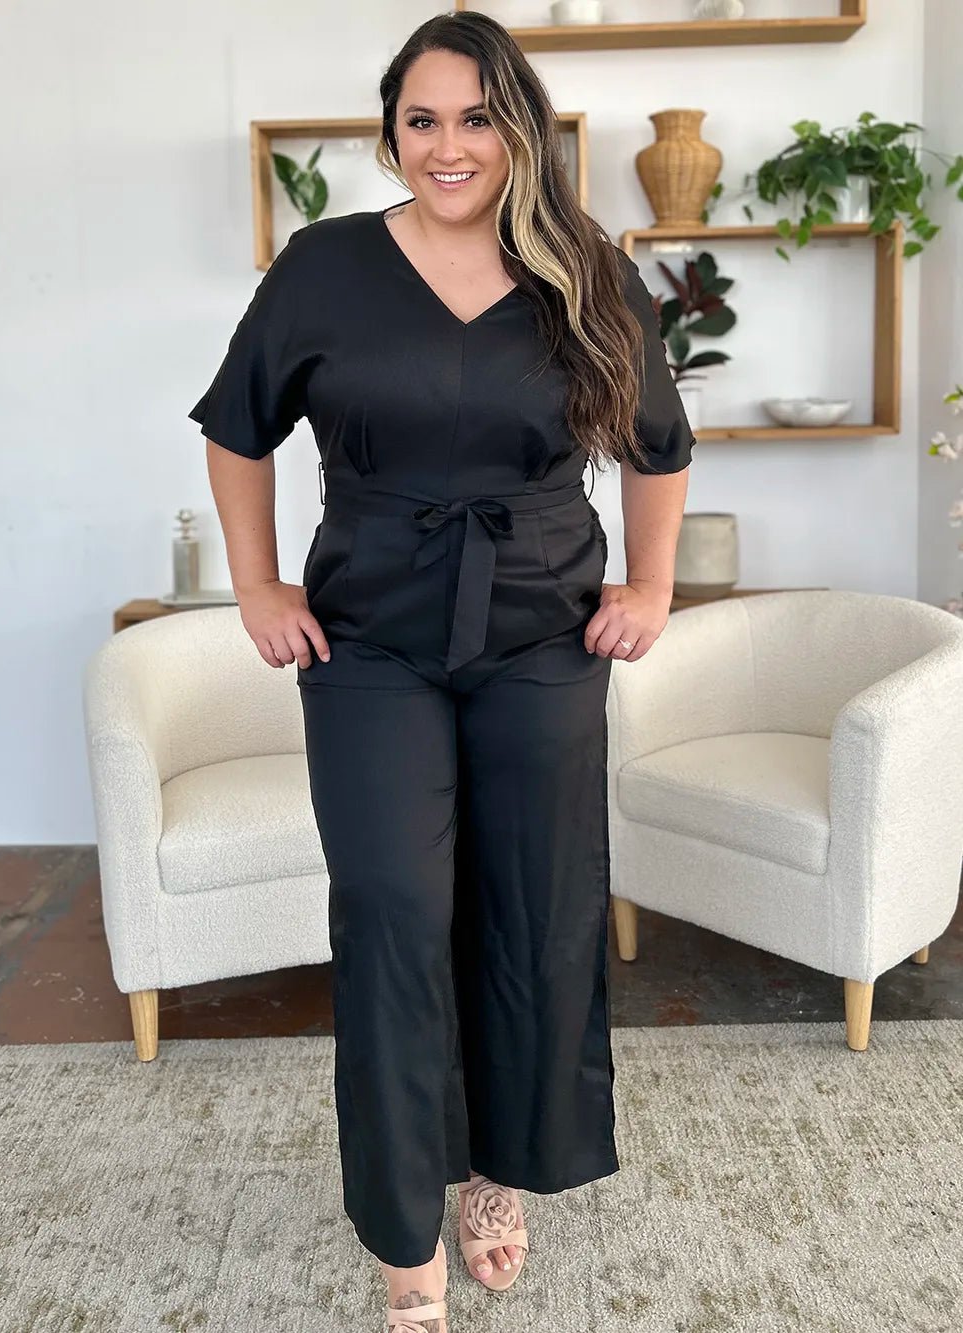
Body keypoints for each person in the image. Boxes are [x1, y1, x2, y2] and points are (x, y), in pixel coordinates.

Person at [188, 11, 694, 1331]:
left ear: (519, 130)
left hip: (542, 635)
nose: (448, 145)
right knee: (394, 914)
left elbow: (659, 441)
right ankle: (403, 1224)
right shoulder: (325, 266)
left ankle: (495, 1171)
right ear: (392, 133)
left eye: (476, 118)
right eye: (422, 119)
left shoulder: (588, 269)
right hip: (371, 637)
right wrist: (257, 584)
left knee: (530, 912)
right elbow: (236, 430)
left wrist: (650, 587)